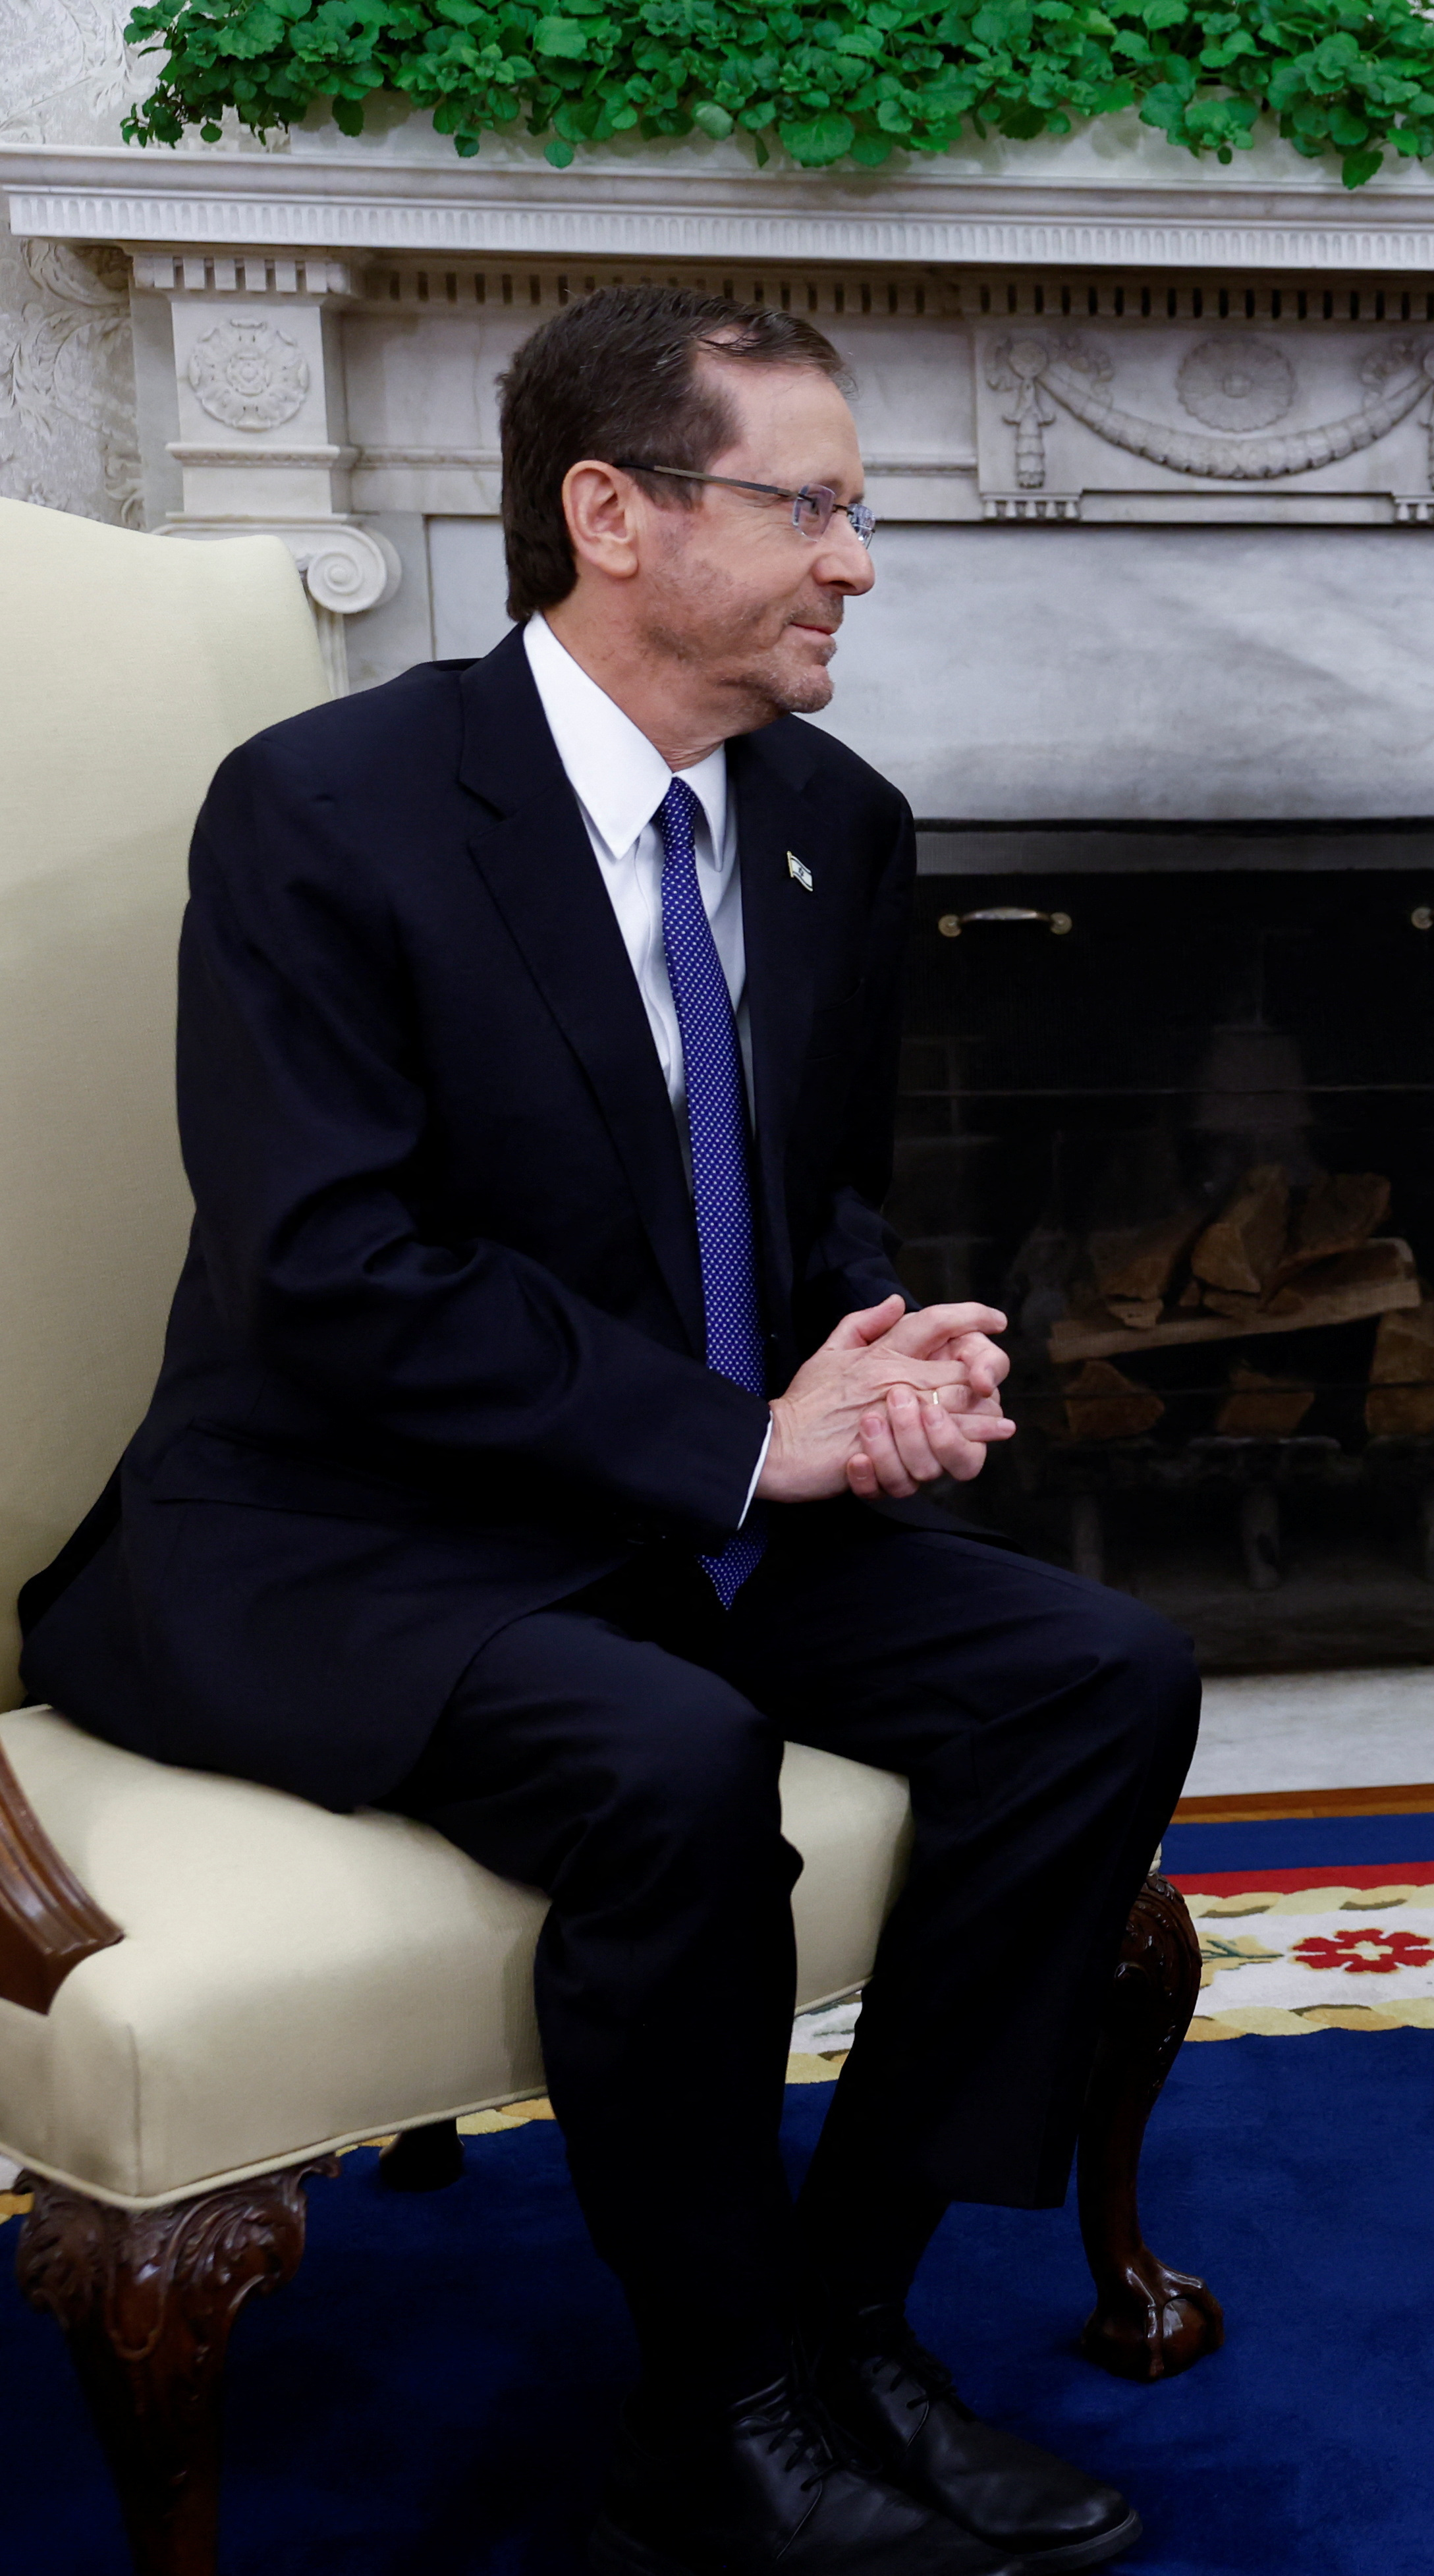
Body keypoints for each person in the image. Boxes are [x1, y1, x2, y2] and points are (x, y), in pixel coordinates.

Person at [17, 283, 1198, 2576]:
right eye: (814, 505)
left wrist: (884, 1354)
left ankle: (843, 2321)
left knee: (1096, 1676)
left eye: (858, 510)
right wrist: (752, 1449)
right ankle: (716, 2409)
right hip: (338, 1531)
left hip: (667, 1495)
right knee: (667, 1761)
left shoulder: (837, 826)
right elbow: (329, 1273)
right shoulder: (329, 810)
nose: (860, 560)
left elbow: (814, 1195)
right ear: (611, 516)